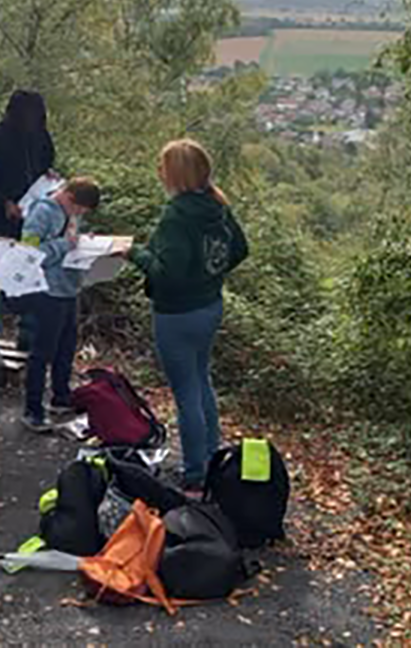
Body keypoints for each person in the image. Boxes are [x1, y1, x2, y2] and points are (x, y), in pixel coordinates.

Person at [127, 140, 248, 497]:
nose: (159, 172)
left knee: (186, 393)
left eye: (163, 166)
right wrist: (209, 275)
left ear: (176, 174)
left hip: (176, 313)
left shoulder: (177, 216)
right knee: (201, 381)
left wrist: (134, 254)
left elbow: (166, 274)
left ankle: (195, 473)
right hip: (209, 306)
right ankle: (211, 458)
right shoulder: (217, 205)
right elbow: (239, 249)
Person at [16, 177, 101, 432]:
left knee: (66, 347)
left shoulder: (71, 213)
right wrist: (65, 245)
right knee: (42, 351)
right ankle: (33, 409)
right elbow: (29, 251)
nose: (79, 215)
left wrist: (86, 244)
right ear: (68, 197)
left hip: (69, 288)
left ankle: (61, 397)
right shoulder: (42, 212)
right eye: (79, 209)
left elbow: (71, 237)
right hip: (47, 290)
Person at [0, 90, 55, 239]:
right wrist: (2, 202)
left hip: (34, 212)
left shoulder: (40, 136)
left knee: (32, 247)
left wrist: (48, 176)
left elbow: (46, 163)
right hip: (0, 215)